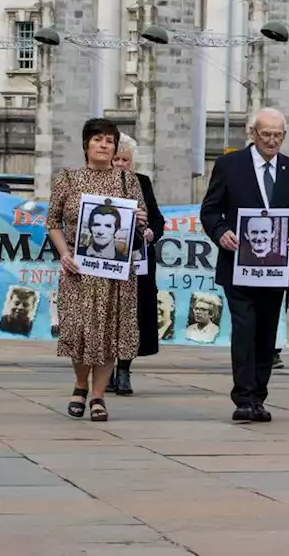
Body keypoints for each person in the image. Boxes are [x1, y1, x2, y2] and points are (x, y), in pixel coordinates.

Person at [200, 108, 289, 423]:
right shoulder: (229, 165)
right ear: (253, 133)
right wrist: (221, 233)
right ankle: (244, 397)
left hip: (275, 269)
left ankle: (259, 396)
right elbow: (210, 210)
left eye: (278, 135)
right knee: (245, 327)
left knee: (266, 334)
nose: (272, 141)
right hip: (238, 265)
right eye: (267, 135)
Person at [46, 118, 149, 422]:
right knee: (80, 330)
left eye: (109, 141)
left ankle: (99, 396)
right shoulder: (68, 178)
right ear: (86, 145)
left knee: (108, 333)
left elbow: (140, 222)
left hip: (116, 273)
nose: (104, 145)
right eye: (97, 140)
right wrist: (64, 254)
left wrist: (140, 219)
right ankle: (80, 386)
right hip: (79, 270)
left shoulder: (128, 181)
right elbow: (52, 222)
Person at [106, 134, 165, 396]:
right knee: (106, 316)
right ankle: (104, 371)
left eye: (125, 160)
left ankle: (124, 371)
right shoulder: (97, 183)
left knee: (133, 315)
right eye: (116, 158)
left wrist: (149, 230)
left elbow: (158, 221)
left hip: (137, 262)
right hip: (105, 261)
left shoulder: (142, 183)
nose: (120, 164)